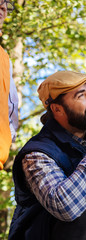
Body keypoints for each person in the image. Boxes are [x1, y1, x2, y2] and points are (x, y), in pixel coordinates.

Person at [9, 71, 86, 240]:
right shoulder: (37, 154)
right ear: (57, 109)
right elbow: (66, 207)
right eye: (81, 96)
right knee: (82, 210)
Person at [0, 0, 19, 169]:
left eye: (3, 6)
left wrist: (7, 139)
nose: (3, 9)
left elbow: (10, 103)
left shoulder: (4, 58)